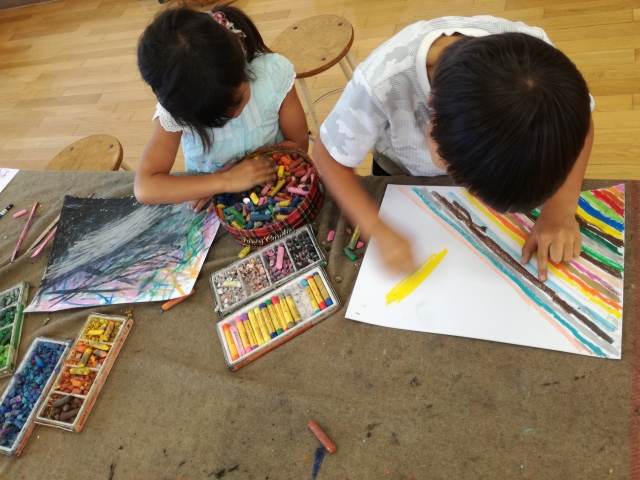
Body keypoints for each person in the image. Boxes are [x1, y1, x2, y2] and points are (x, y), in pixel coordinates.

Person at [312, 16, 594, 281]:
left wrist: (560, 208)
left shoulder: (542, 65)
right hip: (401, 169)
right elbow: (327, 156)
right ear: (430, 114)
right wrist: (377, 229)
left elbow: (583, 122)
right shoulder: (380, 82)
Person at [135, 2, 308, 212]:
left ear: (240, 66)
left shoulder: (273, 73)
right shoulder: (177, 110)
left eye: (238, 100)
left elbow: (298, 144)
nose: (234, 115)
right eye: (219, 116)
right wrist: (222, 182)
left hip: (276, 185)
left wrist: (240, 174)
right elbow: (145, 187)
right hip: (217, 199)